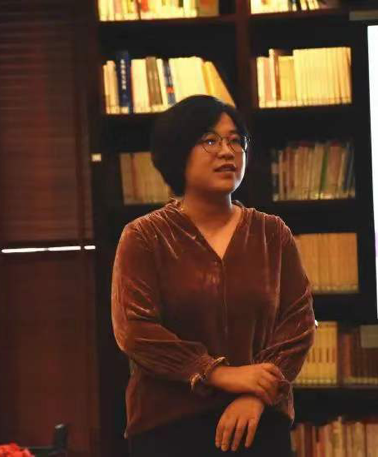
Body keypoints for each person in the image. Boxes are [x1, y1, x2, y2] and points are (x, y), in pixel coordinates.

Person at [111, 95, 316, 456]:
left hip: (258, 422)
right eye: (210, 140)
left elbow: (297, 324)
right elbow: (136, 331)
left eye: (236, 141)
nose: (227, 152)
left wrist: (256, 393)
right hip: (169, 426)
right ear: (177, 152)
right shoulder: (145, 236)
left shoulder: (272, 233)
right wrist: (216, 373)